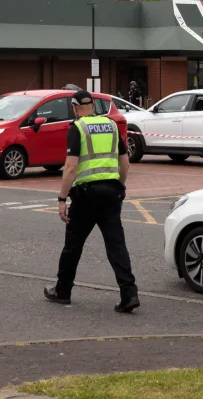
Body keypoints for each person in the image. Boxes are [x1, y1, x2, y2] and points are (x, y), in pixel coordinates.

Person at [44, 89, 139, 312]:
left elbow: (70, 167)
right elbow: (125, 164)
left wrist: (62, 198)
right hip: (111, 193)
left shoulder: (77, 128)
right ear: (94, 106)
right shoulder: (112, 126)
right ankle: (129, 294)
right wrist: (120, 187)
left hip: (86, 196)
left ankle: (63, 290)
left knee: (73, 246)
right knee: (116, 245)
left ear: (75, 108)